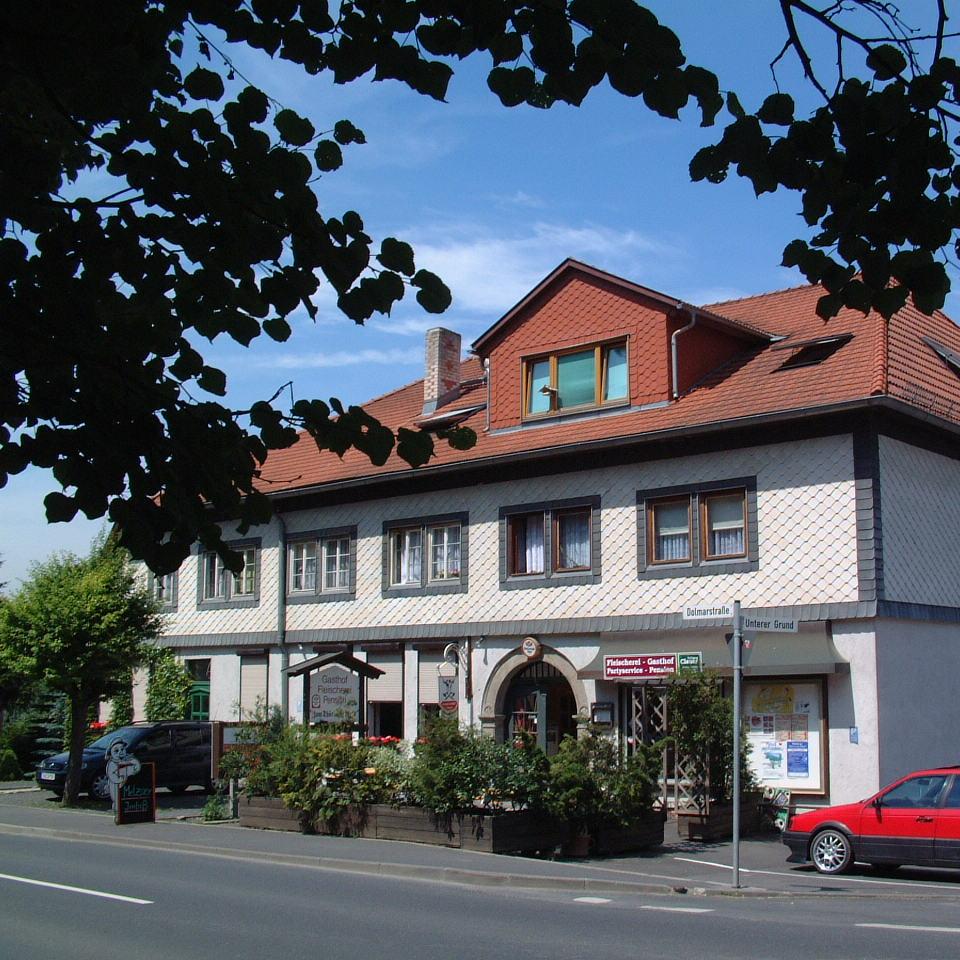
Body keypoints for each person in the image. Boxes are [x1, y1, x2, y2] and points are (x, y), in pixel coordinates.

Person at [105, 739, 141, 811]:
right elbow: (111, 775)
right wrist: (119, 779)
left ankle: (126, 806)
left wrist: (133, 766)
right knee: (116, 795)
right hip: (115, 784)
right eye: (116, 751)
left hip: (127, 783)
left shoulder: (128, 760)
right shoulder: (112, 763)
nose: (120, 752)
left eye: (122, 749)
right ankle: (116, 806)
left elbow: (136, 768)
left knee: (126, 794)